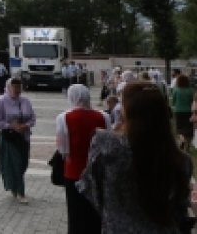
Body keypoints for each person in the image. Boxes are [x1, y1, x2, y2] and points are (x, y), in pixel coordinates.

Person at [81, 81, 192, 232]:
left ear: (128, 111)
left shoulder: (106, 144)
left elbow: (91, 189)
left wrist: (114, 212)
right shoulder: (181, 160)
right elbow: (180, 210)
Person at [56, 83, 105, 234]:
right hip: (98, 173)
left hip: (73, 172)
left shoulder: (63, 118)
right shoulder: (104, 116)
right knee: (95, 213)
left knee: (75, 213)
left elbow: (62, 149)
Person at [0, 76, 36, 203]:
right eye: (15, 87)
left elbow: (33, 118)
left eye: (19, 87)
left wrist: (25, 125)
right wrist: (12, 126)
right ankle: (20, 192)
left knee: (23, 163)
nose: (17, 89)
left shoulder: (25, 101)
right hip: (9, 137)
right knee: (15, 164)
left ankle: (14, 186)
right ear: (9, 87)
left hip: (23, 137)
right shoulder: (1, 101)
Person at [172, 73, 195, 151]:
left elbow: (173, 101)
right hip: (188, 111)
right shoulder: (190, 90)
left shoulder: (176, 90)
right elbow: (193, 101)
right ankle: (187, 146)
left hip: (178, 111)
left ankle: (182, 139)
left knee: (179, 128)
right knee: (188, 128)